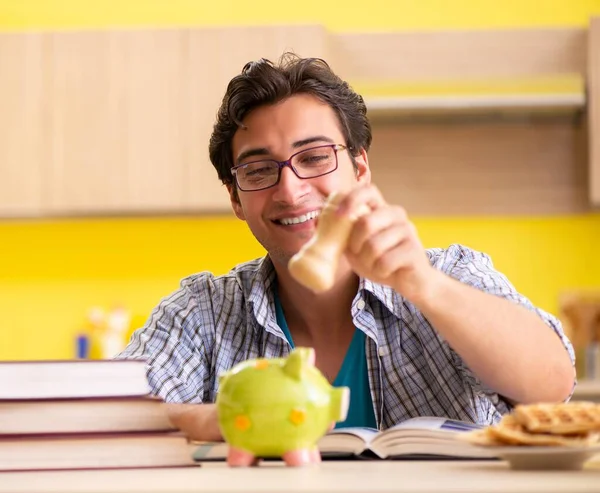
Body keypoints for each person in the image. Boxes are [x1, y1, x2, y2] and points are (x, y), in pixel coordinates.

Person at [116, 53, 575, 465]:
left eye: (314, 158)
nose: (291, 191)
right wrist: (222, 420)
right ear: (236, 199)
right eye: (258, 170)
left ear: (359, 169)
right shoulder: (204, 312)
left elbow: (553, 383)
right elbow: (108, 415)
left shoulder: (449, 274)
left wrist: (423, 285)